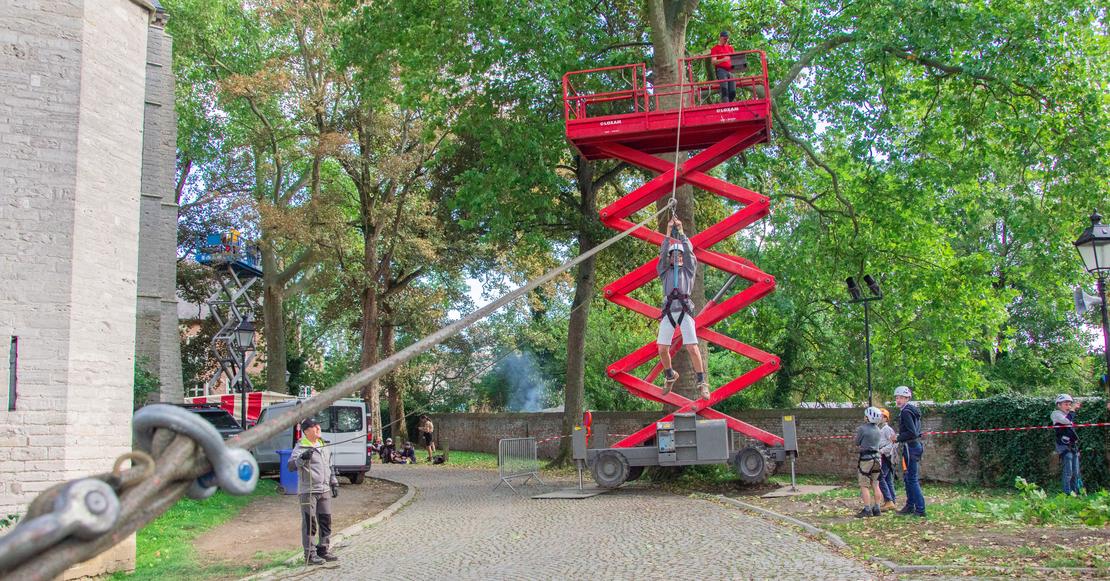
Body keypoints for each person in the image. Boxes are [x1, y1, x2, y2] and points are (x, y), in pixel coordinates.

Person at [657, 217, 710, 400]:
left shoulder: (688, 270)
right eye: (674, 255)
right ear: (671, 258)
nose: (678, 257)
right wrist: (668, 231)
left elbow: (689, 253)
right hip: (669, 311)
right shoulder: (665, 272)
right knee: (662, 348)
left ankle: (702, 383)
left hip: (684, 310)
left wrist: (680, 231)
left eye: (679, 255)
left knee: (692, 347)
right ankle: (670, 375)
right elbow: (662, 254)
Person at [289, 418, 340, 565]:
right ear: (306, 431)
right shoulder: (300, 447)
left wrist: (334, 483)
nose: (318, 428)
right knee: (310, 523)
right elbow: (291, 466)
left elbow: (330, 466)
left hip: (324, 490)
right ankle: (310, 555)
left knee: (326, 521)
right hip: (308, 491)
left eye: (318, 425)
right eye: (314, 426)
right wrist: (302, 458)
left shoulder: (323, 445)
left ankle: (323, 549)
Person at [893, 385, 926, 517]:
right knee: (908, 478)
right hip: (912, 447)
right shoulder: (911, 410)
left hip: (910, 447)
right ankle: (910, 506)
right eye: (897, 397)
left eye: (901, 397)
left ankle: (920, 509)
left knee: (911, 479)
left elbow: (912, 433)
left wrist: (897, 438)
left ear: (907, 398)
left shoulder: (906, 412)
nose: (898, 400)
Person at [854, 406, 885, 517]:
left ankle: (867, 509)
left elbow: (857, 442)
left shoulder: (863, 429)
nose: (864, 417)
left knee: (864, 485)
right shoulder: (878, 429)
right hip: (877, 459)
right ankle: (877, 508)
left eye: (866, 416)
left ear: (868, 417)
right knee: (876, 484)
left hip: (866, 460)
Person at [1051, 394, 1080, 494]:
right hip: (1063, 447)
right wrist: (1072, 410)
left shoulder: (1068, 415)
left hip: (1073, 446)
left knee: (1076, 473)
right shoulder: (1056, 414)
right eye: (1066, 404)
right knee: (1068, 472)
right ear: (1059, 405)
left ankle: (1075, 493)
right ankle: (1067, 494)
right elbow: (1066, 421)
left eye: (1069, 404)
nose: (1068, 406)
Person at [877, 408, 898, 511]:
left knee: (881, 478)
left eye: (881, 416)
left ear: (886, 418)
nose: (879, 418)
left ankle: (888, 500)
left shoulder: (887, 429)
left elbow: (893, 443)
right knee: (888, 479)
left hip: (886, 456)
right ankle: (892, 501)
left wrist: (882, 451)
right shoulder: (879, 428)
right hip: (884, 455)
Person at [709, 31, 736, 103]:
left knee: (733, 92)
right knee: (725, 90)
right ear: (720, 38)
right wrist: (723, 59)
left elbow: (735, 59)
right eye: (724, 38)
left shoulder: (730, 48)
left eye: (727, 39)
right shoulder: (715, 48)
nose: (726, 40)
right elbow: (713, 61)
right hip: (721, 70)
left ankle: (729, 105)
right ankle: (726, 105)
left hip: (731, 70)